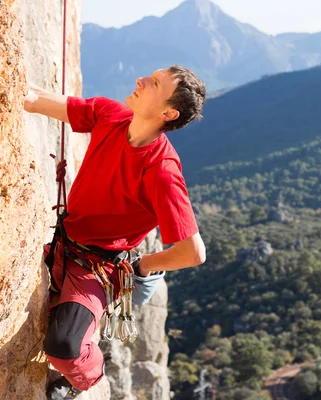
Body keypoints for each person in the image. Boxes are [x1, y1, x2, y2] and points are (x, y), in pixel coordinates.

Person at [23, 65, 207, 399]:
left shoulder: (162, 170)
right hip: (66, 242)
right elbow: (40, 100)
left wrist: (143, 266)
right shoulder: (112, 114)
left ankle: (90, 378)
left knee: (63, 346)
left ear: (168, 112)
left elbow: (193, 252)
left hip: (96, 267)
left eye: (153, 84)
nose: (140, 80)